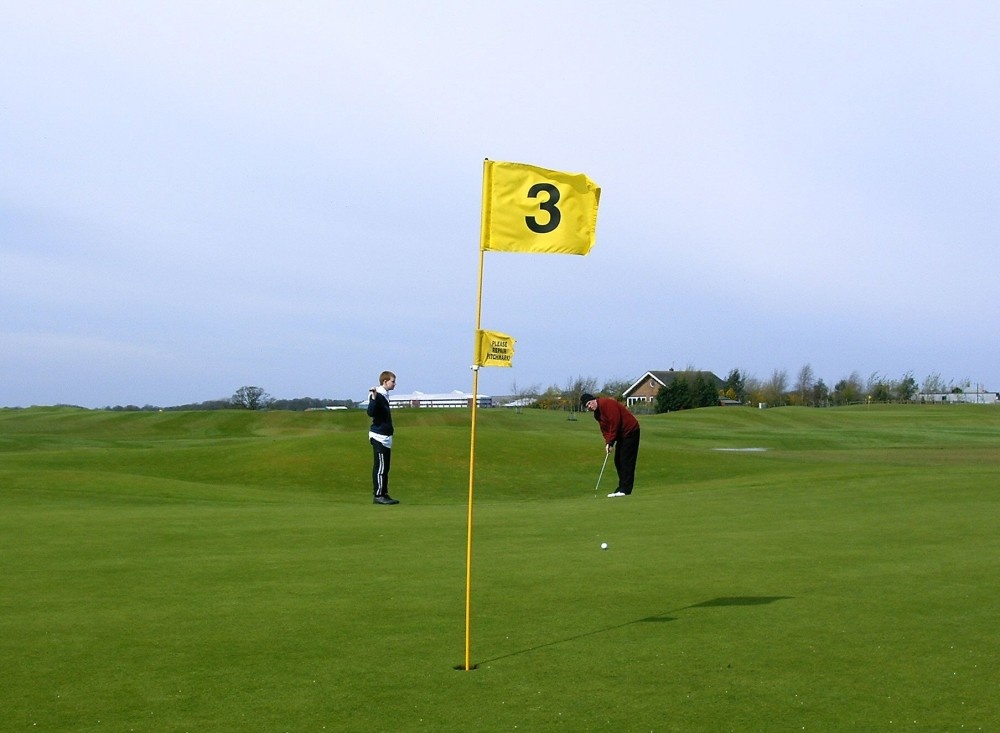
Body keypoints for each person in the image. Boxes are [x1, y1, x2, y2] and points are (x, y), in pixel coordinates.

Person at [581, 392, 641, 497]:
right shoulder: (597, 414)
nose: (589, 407)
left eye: (589, 404)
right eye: (587, 406)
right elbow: (604, 430)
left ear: (594, 400)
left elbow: (615, 423)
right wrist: (608, 443)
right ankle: (621, 487)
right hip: (622, 435)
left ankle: (626, 489)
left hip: (631, 430)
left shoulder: (607, 404)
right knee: (618, 460)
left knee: (626, 460)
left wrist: (611, 441)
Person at [367, 371, 400, 505]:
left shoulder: (385, 395)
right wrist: (374, 397)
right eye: (393, 381)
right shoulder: (378, 394)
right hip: (379, 436)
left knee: (385, 468)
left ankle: (384, 493)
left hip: (386, 437)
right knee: (380, 468)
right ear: (385, 381)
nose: (395, 384)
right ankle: (379, 495)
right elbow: (370, 412)